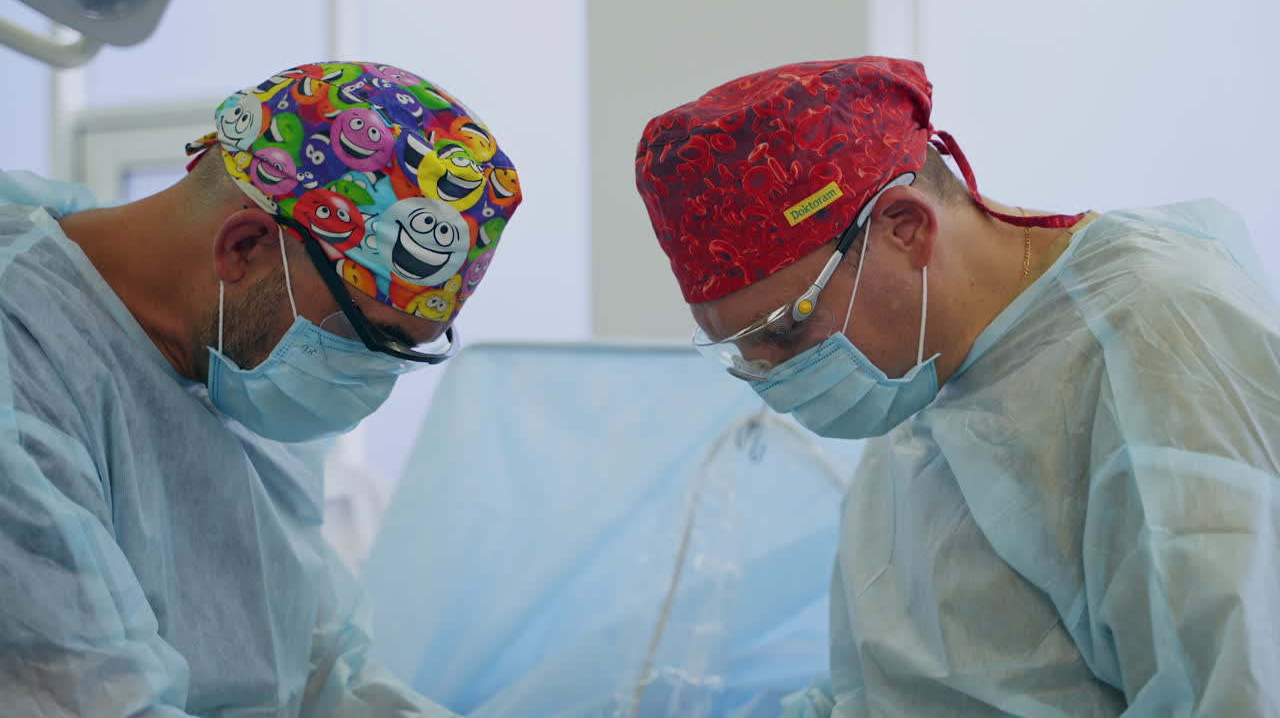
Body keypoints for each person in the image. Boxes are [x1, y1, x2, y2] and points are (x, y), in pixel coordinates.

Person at [634, 56, 1280, 716]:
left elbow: (1233, 685)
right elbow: (892, 689)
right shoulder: (917, 379)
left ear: (905, 228)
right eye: (742, 354)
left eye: (787, 330)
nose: (776, 381)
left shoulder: (1160, 335)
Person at [0, 61, 521, 716]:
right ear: (244, 246)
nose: (365, 382)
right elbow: (79, 697)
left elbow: (315, 673)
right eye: (362, 337)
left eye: (401, 355)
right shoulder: (25, 359)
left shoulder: (238, 368)